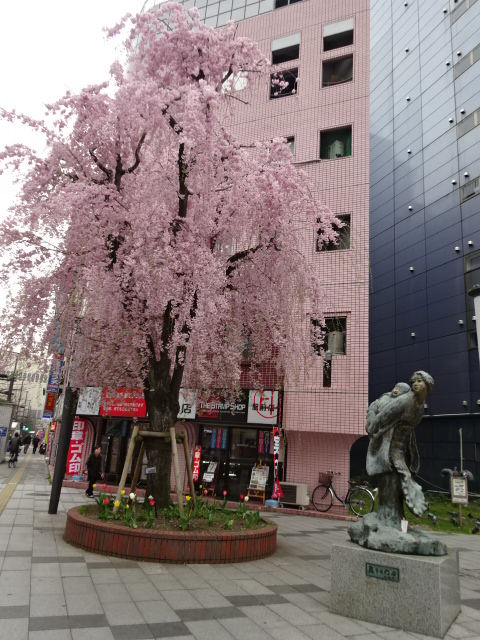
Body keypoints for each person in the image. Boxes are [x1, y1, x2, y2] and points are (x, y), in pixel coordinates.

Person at [365, 371, 434, 520]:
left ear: (428, 385)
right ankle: (387, 519)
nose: (415, 384)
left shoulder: (420, 405)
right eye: (414, 381)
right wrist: (371, 425)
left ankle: (394, 519)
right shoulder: (405, 400)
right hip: (388, 448)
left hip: (402, 449)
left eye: (420, 381)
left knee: (400, 483)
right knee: (390, 481)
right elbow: (381, 418)